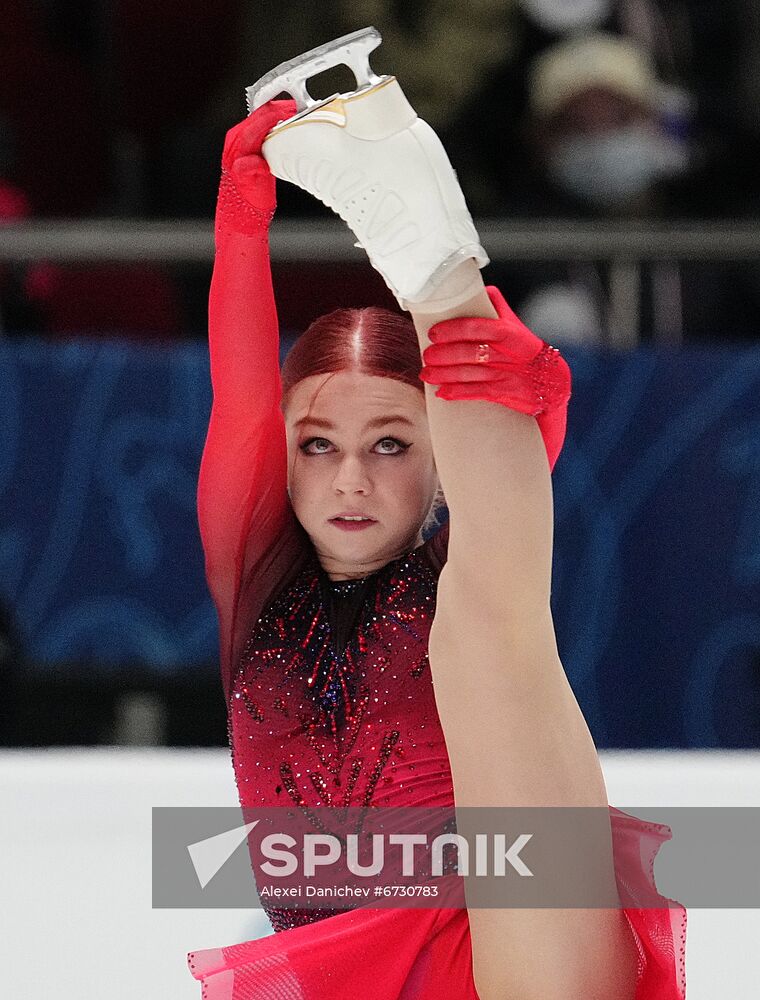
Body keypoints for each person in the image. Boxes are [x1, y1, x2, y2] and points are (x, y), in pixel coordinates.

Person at [187, 78, 687, 998]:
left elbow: (503, 521)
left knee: (485, 618)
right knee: (486, 608)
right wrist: (241, 227)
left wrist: (536, 403)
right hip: (358, 974)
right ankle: (431, 261)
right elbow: (245, 402)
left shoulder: (466, 576)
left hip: (521, 947)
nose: (351, 479)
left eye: (391, 443)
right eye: (319, 446)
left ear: (440, 460)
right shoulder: (252, 582)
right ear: (285, 462)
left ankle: (437, 274)